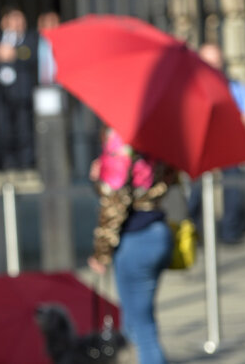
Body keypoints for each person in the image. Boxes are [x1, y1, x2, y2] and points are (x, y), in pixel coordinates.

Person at [88, 128, 175, 364]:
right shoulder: (159, 134)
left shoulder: (121, 138)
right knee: (139, 321)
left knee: (140, 329)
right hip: (159, 232)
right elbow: (167, 178)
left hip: (136, 238)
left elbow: (114, 202)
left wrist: (101, 253)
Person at [189, 43, 245, 244]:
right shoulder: (192, 88)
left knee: (232, 185)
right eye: (209, 62)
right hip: (201, 144)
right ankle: (195, 232)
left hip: (226, 143)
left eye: (217, 62)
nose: (214, 66)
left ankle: (231, 232)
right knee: (194, 190)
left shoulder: (232, 86)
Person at [0, 6, 40, 169]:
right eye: (14, 19)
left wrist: (14, 53)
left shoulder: (29, 38)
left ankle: (26, 164)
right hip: (2, 95)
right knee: (3, 131)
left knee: (24, 130)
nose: (18, 23)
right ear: (4, 22)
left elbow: (32, 54)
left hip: (22, 96)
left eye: (20, 19)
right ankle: (8, 165)